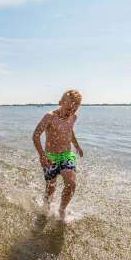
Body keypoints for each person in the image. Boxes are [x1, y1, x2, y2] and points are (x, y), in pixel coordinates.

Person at [32, 90, 83, 220]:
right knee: (51, 188)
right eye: (68, 109)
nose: (70, 113)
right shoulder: (50, 116)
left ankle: (61, 210)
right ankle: (46, 209)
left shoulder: (73, 117)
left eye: (74, 110)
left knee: (71, 184)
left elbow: (69, 131)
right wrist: (42, 155)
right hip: (50, 156)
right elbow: (36, 135)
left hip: (66, 155)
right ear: (60, 103)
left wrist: (77, 145)